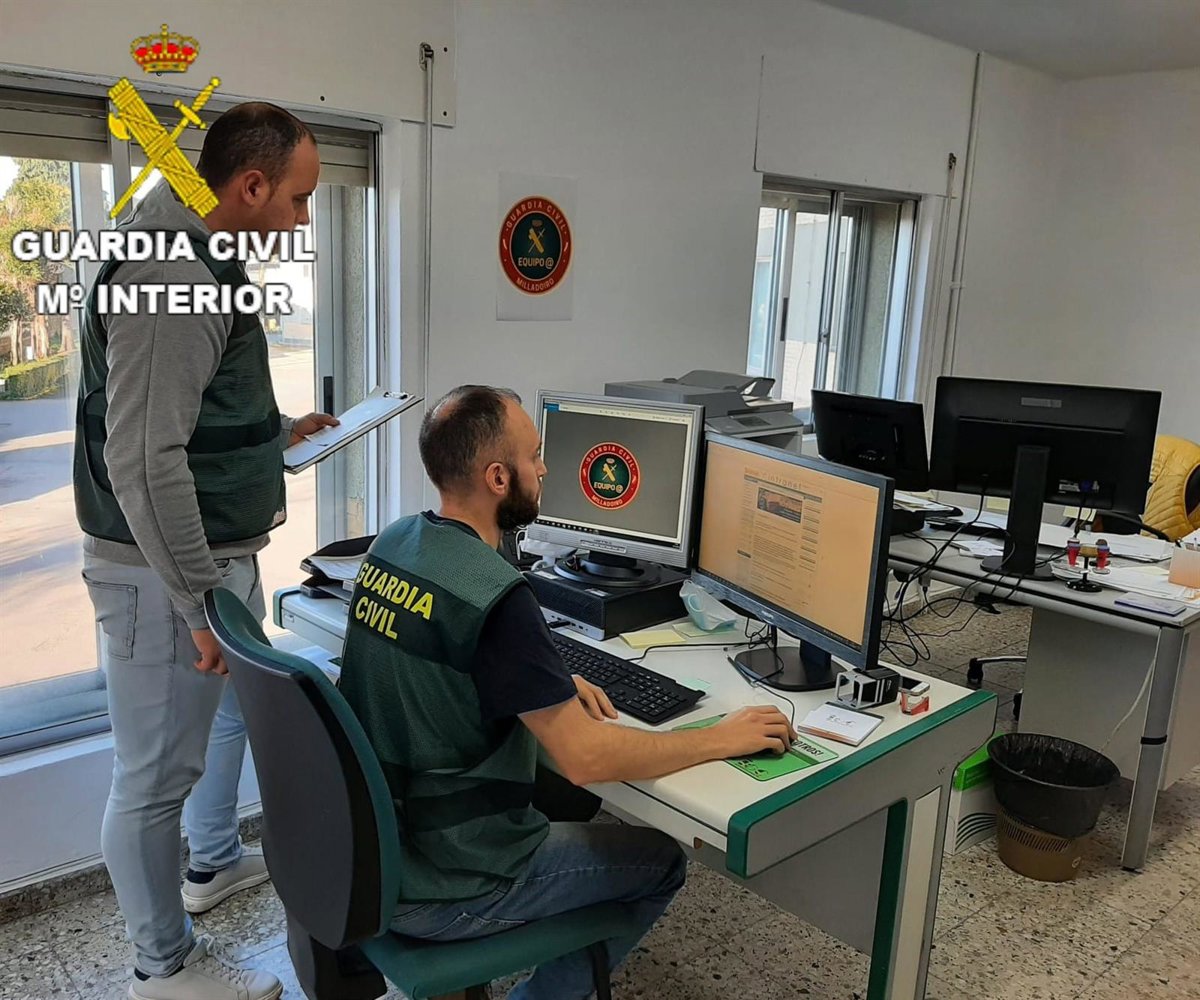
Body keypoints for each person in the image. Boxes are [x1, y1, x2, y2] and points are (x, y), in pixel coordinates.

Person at [338, 385, 796, 1000]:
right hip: (450, 879)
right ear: (499, 478)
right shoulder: (498, 596)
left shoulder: (393, 543)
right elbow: (586, 759)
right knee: (661, 862)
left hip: (379, 852)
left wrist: (538, 680)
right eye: (534, 455)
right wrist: (718, 736)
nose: (546, 468)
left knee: (565, 798)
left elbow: (438, 673)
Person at [74, 103, 337, 1000]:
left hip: (210, 559)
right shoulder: (173, 272)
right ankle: (161, 968)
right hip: (163, 575)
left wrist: (274, 431)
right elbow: (142, 460)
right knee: (152, 779)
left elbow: (188, 413)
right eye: (297, 199)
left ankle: (214, 859)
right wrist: (195, 603)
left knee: (226, 721)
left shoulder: (200, 251)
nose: (301, 219)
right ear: (251, 186)